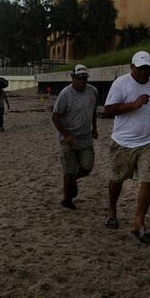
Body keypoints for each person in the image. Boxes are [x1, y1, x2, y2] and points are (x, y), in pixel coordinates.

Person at [103, 51, 150, 243]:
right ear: (132, 67)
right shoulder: (121, 83)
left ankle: (139, 222)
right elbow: (108, 109)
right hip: (123, 142)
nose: (144, 72)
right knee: (118, 179)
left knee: (149, 179)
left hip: (149, 141)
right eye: (140, 69)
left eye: (147, 68)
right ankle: (112, 208)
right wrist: (134, 104)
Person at [51, 64, 98, 210]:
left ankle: (74, 180)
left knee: (88, 166)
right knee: (68, 170)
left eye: (84, 78)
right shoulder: (65, 94)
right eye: (79, 78)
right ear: (73, 77)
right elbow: (55, 116)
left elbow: (94, 110)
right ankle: (66, 199)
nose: (82, 81)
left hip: (85, 138)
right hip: (68, 139)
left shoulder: (93, 91)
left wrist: (94, 128)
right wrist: (66, 135)